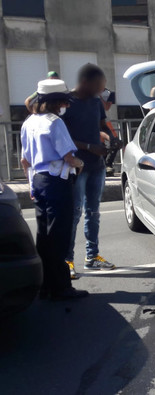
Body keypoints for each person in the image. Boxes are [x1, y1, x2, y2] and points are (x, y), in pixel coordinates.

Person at [20, 79, 89, 300]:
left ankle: (44, 286)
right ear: (56, 101)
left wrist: (31, 185)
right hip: (57, 182)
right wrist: (81, 164)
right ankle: (61, 288)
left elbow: (24, 161)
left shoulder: (29, 122)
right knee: (59, 236)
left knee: (44, 236)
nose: (66, 105)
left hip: (38, 181)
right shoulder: (55, 122)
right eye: (64, 101)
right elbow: (68, 157)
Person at [62, 63, 116, 278]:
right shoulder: (66, 102)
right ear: (86, 82)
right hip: (77, 166)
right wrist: (88, 147)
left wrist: (111, 138)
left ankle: (92, 257)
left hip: (97, 166)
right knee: (75, 213)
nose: (100, 91)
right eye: (98, 86)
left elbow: (102, 126)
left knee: (93, 213)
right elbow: (61, 138)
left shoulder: (96, 102)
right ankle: (67, 260)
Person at [100, 87, 122, 175]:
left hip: (105, 121)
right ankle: (103, 166)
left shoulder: (109, 93)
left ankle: (108, 164)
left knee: (115, 142)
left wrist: (99, 97)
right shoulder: (89, 93)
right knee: (100, 144)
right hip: (93, 122)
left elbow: (106, 107)